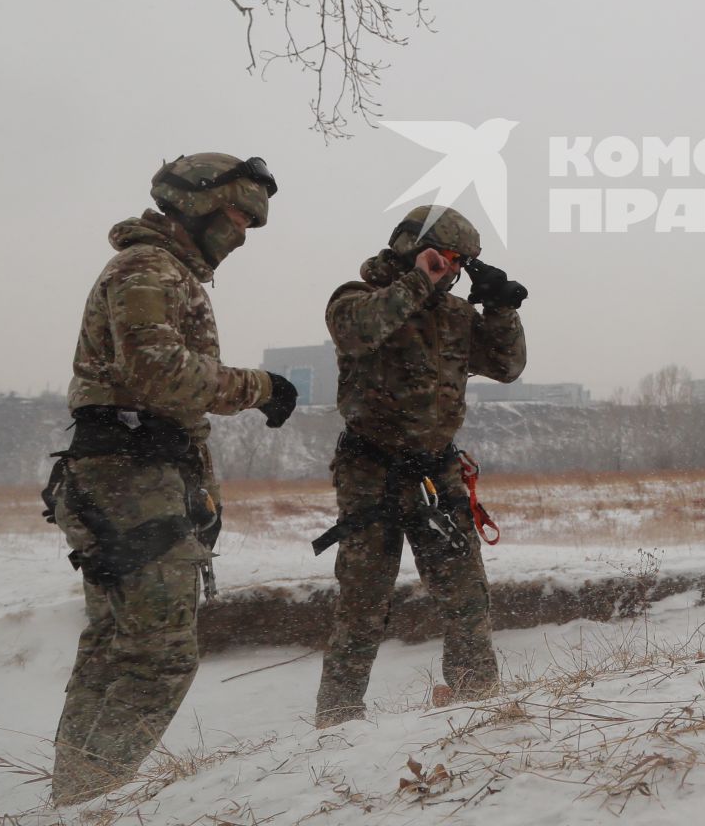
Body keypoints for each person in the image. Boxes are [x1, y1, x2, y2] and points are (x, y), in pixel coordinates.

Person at [47, 153, 298, 806]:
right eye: (238, 214)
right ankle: (87, 800)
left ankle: (73, 801)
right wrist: (261, 387)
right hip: (131, 478)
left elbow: (166, 402)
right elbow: (158, 374)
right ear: (196, 204)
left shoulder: (167, 270)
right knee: (158, 659)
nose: (243, 231)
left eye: (251, 219)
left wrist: (203, 493)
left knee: (114, 649)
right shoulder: (146, 267)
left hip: (138, 475)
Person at [312, 205, 526, 727]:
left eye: (460, 264)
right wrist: (416, 282)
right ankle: (337, 723)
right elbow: (360, 333)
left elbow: (506, 367)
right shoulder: (357, 299)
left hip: (437, 474)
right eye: (443, 257)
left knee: (466, 596)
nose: (450, 270)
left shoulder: (454, 317)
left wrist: (500, 310)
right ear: (411, 246)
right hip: (372, 473)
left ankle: (478, 707)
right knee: (364, 601)